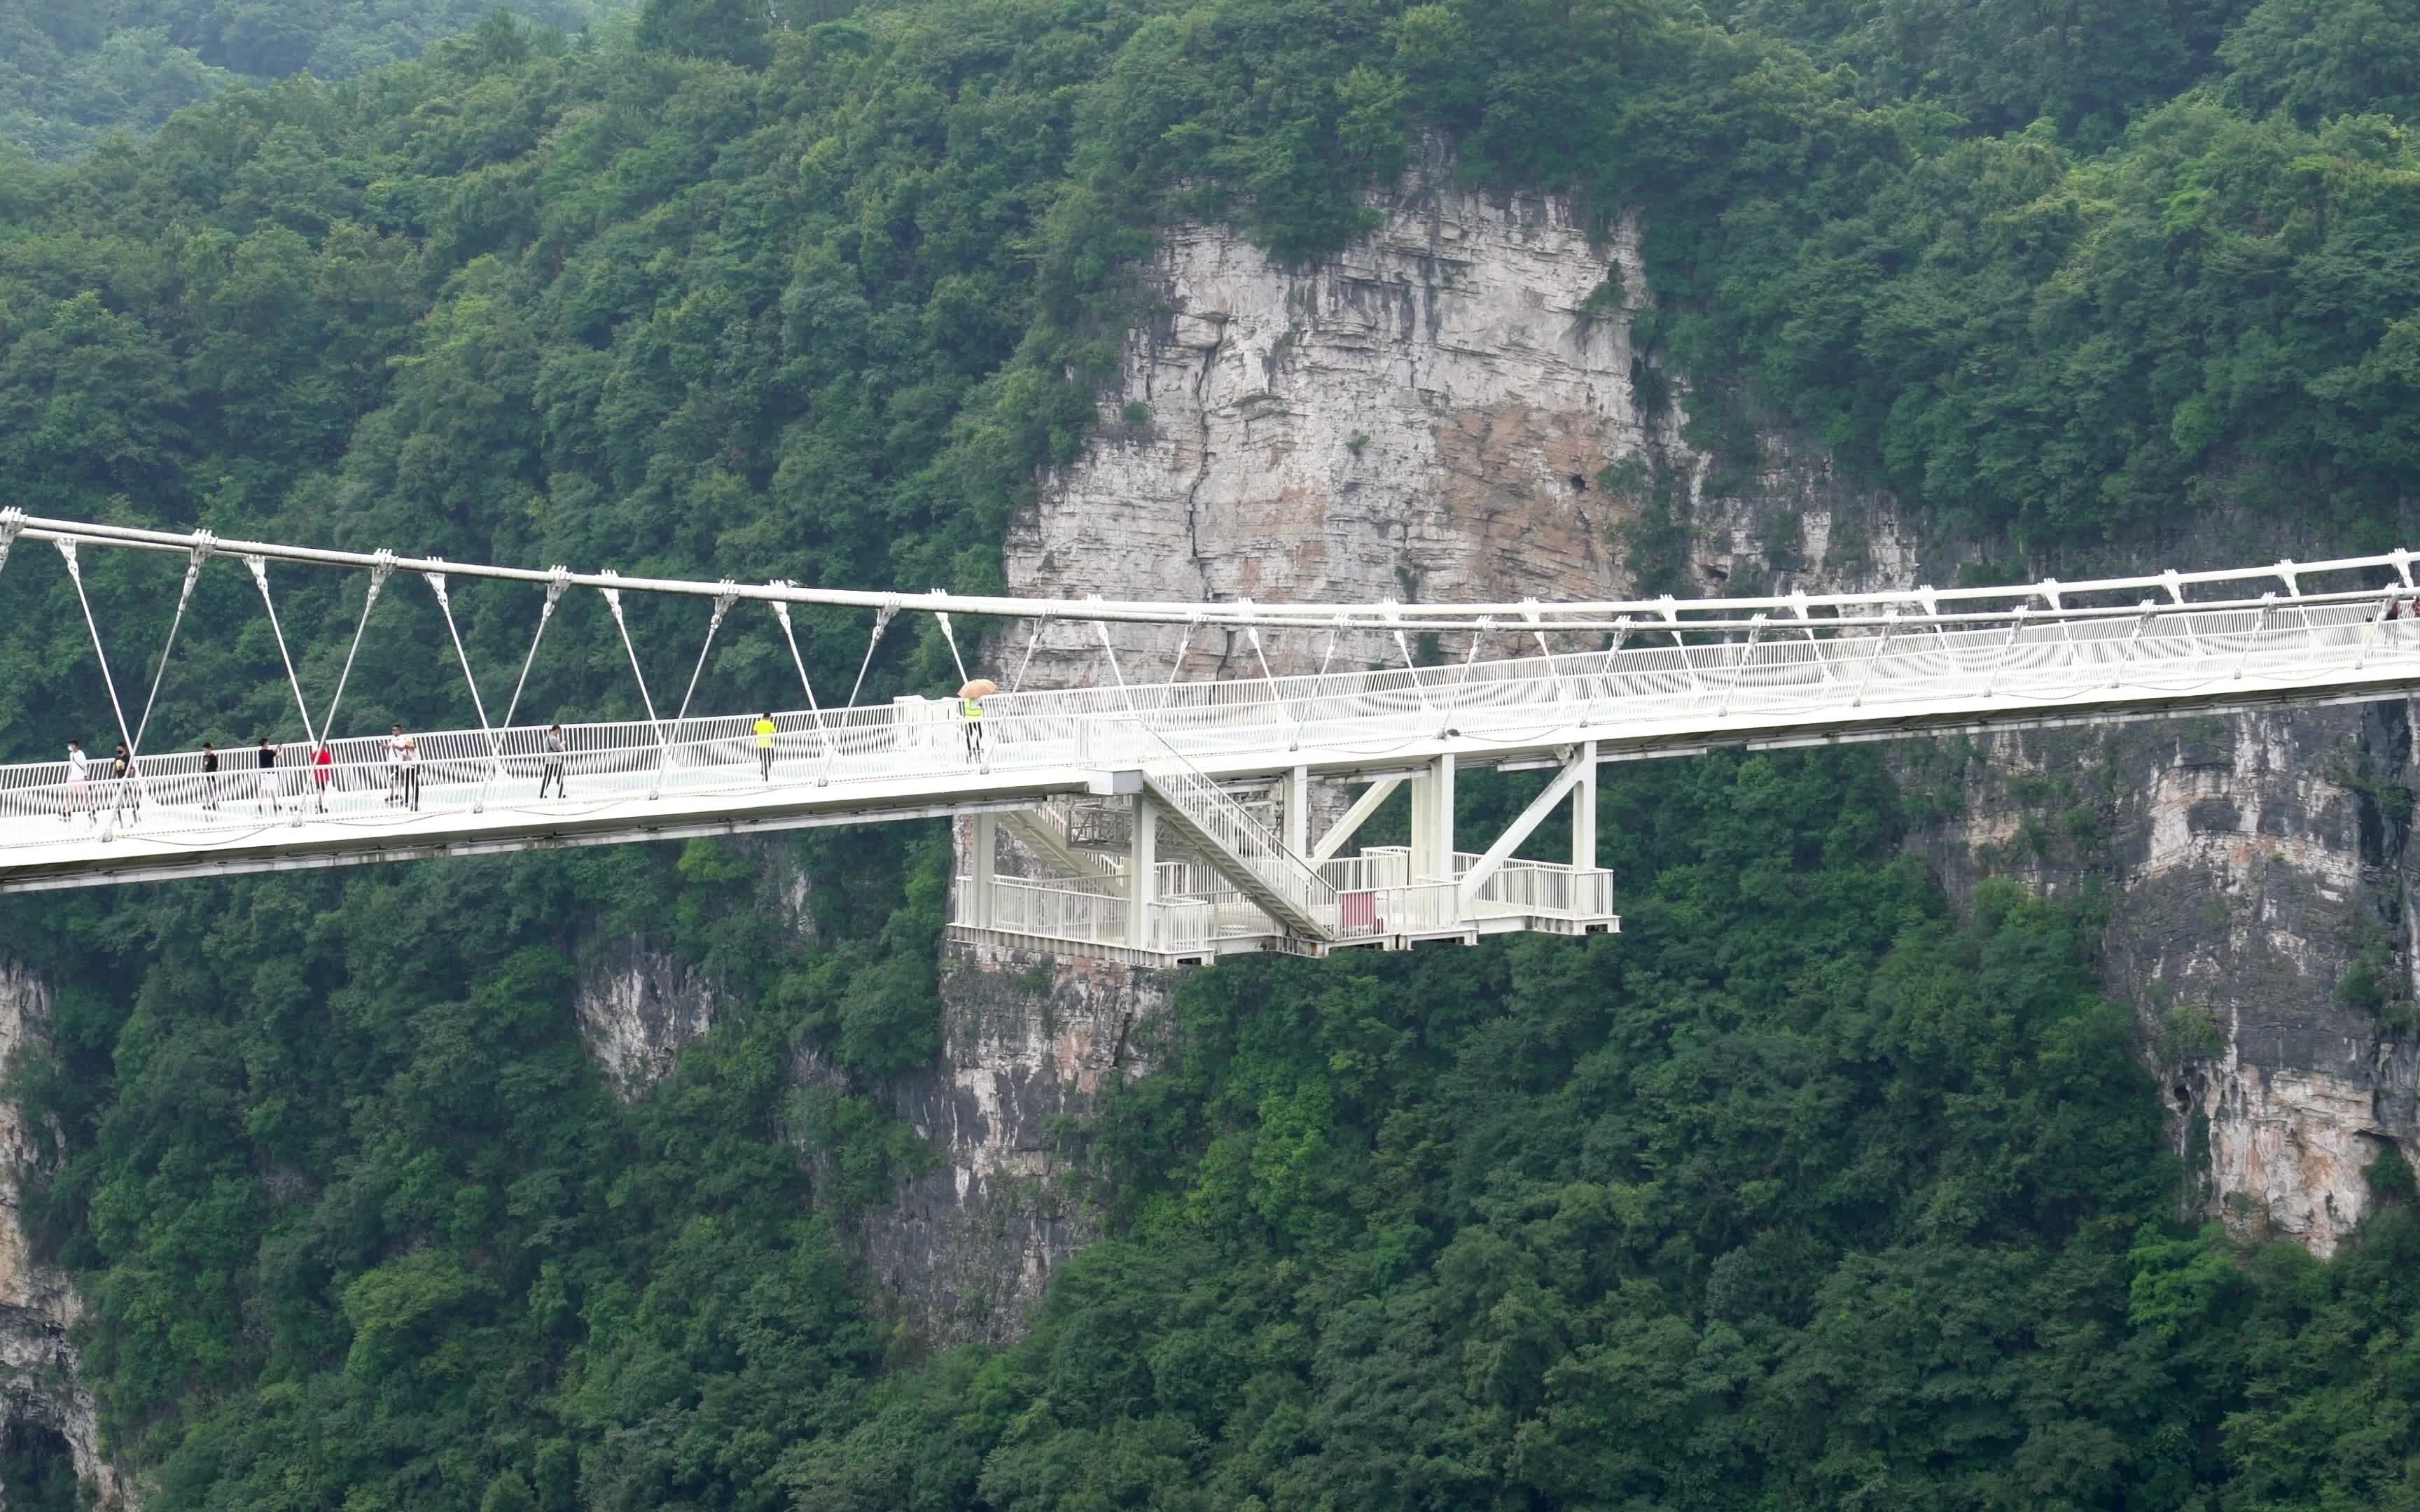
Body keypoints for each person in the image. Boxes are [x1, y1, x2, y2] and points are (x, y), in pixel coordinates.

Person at [110, 741, 139, 822]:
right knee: (124, 794)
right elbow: (115, 768)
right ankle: (131, 806)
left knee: (125, 794)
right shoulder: (117, 758)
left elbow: (132, 768)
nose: (117, 749)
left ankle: (120, 807)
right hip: (119, 779)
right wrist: (113, 777)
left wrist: (131, 777)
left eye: (119, 748)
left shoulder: (128, 758)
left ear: (123, 748)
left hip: (126, 779)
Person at [62, 740, 89, 824]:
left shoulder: (81, 753)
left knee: (85, 794)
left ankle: (90, 809)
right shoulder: (71, 754)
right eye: (70, 745)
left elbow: (85, 765)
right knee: (69, 794)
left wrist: (86, 775)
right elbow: (72, 765)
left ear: (76, 746)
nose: (71, 746)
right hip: (72, 777)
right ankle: (68, 810)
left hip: (80, 777)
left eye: (72, 745)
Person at [538, 722, 567, 799]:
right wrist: (563, 744)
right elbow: (560, 750)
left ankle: (541, 794)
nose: (559, 733)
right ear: (557, 730)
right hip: (556, 762)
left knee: (547, 778)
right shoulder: (555, 739)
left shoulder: (546, 738)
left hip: (548, 761)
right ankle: (560, 794)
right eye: (559, 732)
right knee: (559, 778)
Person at [256, 736, 281, 816]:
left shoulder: (260, 752)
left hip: (263, 773)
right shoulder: (269, 752)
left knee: (263, 788)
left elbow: (272, 752)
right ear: (266, 743)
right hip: (270, 773)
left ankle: (259, 804)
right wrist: (282, 750)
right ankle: (275, 804)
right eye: (268, 742)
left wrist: (277, 748)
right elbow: (278, 756)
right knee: (272, 789)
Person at [385, 724, 409, 806]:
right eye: (392, 730)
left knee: (398, 780)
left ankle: (400, 795)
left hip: (398, 763)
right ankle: (393, 795)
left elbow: (403, 748)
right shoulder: (393, 739)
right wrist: (383, 746)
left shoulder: (402, 739)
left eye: (394, 730)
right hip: (392, 762)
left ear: (399, 731)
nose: (393, 731)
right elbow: (389, 747)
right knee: (394, 780)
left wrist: (396, 747)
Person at [400, 730, 422, 812]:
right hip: (407, 769)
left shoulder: (416, 751)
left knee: (416, 786)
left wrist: (411, 759)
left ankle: (415, 802)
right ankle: (406, 801)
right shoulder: (404, 751)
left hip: (414, 769)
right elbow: (403, 762)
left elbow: (419, 760)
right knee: (406, 785)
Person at [960, 692, 985, 762]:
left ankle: (976, 746)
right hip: (970, 719)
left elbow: (980, 708)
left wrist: (981, 705)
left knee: (980, 733)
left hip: (977, 719)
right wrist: (979, 703)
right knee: (969, 734)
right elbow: (973, 706)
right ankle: (969, 748)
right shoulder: (968, 699)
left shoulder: (977, 699)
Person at [753, 712, 777, 781]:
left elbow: (754, 733)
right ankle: (765, 772)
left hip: (761, 745)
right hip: (769, 745)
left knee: (763, 761)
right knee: (771, 759)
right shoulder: (771, 724)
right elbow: (773, 734)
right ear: (768, 717)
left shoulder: (757, 723)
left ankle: (764, 772)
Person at [199, 741, 220, 811]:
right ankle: (208, 803)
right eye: (203, 750)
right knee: (207, 789)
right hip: (207, 776)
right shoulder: (205, 757)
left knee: (211, 790)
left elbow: (216, 767)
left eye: (205, 750)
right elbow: (204, 765)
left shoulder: (213, 757)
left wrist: (218, 775)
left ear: (209, 749)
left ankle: (212, 803)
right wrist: (202, 769)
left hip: (212, 776)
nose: (204, 751)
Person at [312, 743, 333, 812]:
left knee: (321, 790)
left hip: (317, 776)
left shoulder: (315, 754)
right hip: (324, 776)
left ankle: (319, 804)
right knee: (322, 790)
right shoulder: (325, 754)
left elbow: (313, 762)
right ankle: (320, 805)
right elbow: (329, 764)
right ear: (324, 746)